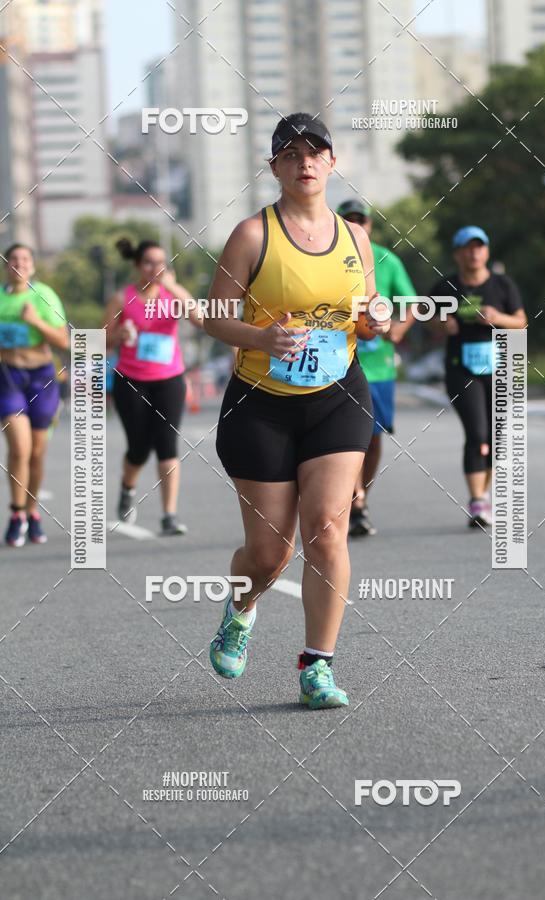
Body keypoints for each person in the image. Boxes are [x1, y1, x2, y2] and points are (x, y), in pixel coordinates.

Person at [203, 112, 389, 709]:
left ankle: (317, 665)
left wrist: (374, 321)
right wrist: (259, 339)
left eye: (316, 153)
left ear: (333, 163)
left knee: (328, 528)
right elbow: (211, 316)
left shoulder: (356, 238)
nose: (305, 163)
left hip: (338, 395)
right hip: (261, 405)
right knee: (269, 553)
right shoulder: (252, 235)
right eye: (291, 154)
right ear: (275, 166)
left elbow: (365, 315)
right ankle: (241, 606)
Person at [104, 238, 202, 536]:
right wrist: (118, 335)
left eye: (161, 263)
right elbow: (102, 341)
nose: (155, 268)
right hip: (131, 381)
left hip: (169, 379)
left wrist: (173, 287)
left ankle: (169, 515)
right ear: (137, 266)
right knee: (139, 448)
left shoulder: (172, 295)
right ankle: (127, 487)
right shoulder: (123, 298)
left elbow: (200, 319)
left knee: (167, 445)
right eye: (149, 263)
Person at [430, 227, 527, 528]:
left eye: (479, 247)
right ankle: (477, 502)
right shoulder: (445, 287)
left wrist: (498, 318)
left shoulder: (502, 285)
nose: (474, 252)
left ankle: (483, 495)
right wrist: (441, 323)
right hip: (462, 369)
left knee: (496, 438)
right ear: (457, 253)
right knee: (477, 433)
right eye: (467, 248)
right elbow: (425, 319)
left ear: (486, 251)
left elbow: (521, 323)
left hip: (498, 368)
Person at [337, 199, 417, 537]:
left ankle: (362, 496)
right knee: (345, 438)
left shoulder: (387, 259)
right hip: (340, 365)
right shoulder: (329, 256)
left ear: (370, 225)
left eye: (362, 221)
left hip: (380, 368)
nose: (357, 226)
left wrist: (398, 329)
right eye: (349, 220)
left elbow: (412, 302)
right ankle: (353, 502)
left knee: (372, 438)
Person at [0, 244, 69, 546]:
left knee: (38, 452)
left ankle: (32, 511)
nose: (19, 264)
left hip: (41, 378)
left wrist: (35, 321)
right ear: (6, 265)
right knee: (19, 448)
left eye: (25, 259)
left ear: (33, 266)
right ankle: (16, 514)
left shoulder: (44, 296)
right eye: (13, 259)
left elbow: (63, 340)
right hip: (7, 377)